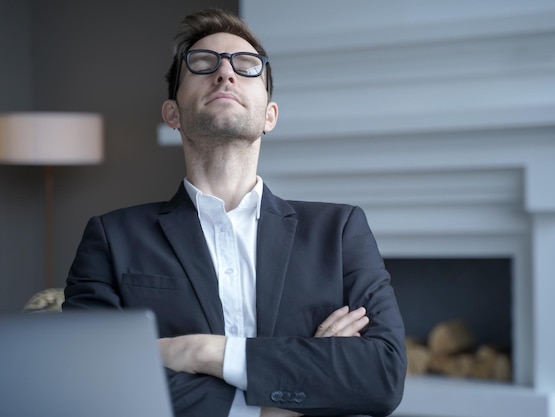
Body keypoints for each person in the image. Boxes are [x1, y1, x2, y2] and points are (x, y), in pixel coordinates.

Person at [63, 7, 406, 417]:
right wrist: (272, 405)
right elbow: (91, 372)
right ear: (172, 113)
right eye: (203, 63)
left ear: (269, 115)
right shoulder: (111, 237)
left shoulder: (340, 230)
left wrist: (197, 350)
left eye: (246, 67)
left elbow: (382, 376)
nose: (225, 74)